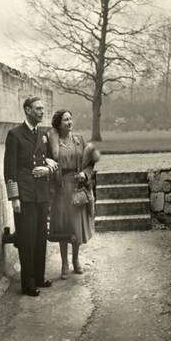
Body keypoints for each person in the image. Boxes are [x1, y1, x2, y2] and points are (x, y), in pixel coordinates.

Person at [3, 96, 58, 297]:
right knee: (27, 239)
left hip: (41, 193)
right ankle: (28, 284)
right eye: (38, 109)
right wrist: (14, 198)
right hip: (25, 196)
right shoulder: (15, 135)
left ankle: (39, 277)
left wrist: (48, 168)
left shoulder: (43, 135)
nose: (42, 112)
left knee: (40, 236)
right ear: (27, 110)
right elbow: (10, 170)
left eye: (43, 109)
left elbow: (51, 159)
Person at [48, 110, 100, 279]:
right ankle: (64, 263)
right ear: (59, 123)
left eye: (71, 118)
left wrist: (85, 173)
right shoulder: (53, 142)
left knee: (76, 226)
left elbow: (91, 163)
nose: (69, 122)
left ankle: (76, 260)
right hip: (61, 188)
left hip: (77, 187)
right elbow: (48, 163)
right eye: (65, 120)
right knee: (64, 226)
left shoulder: (79, 139)